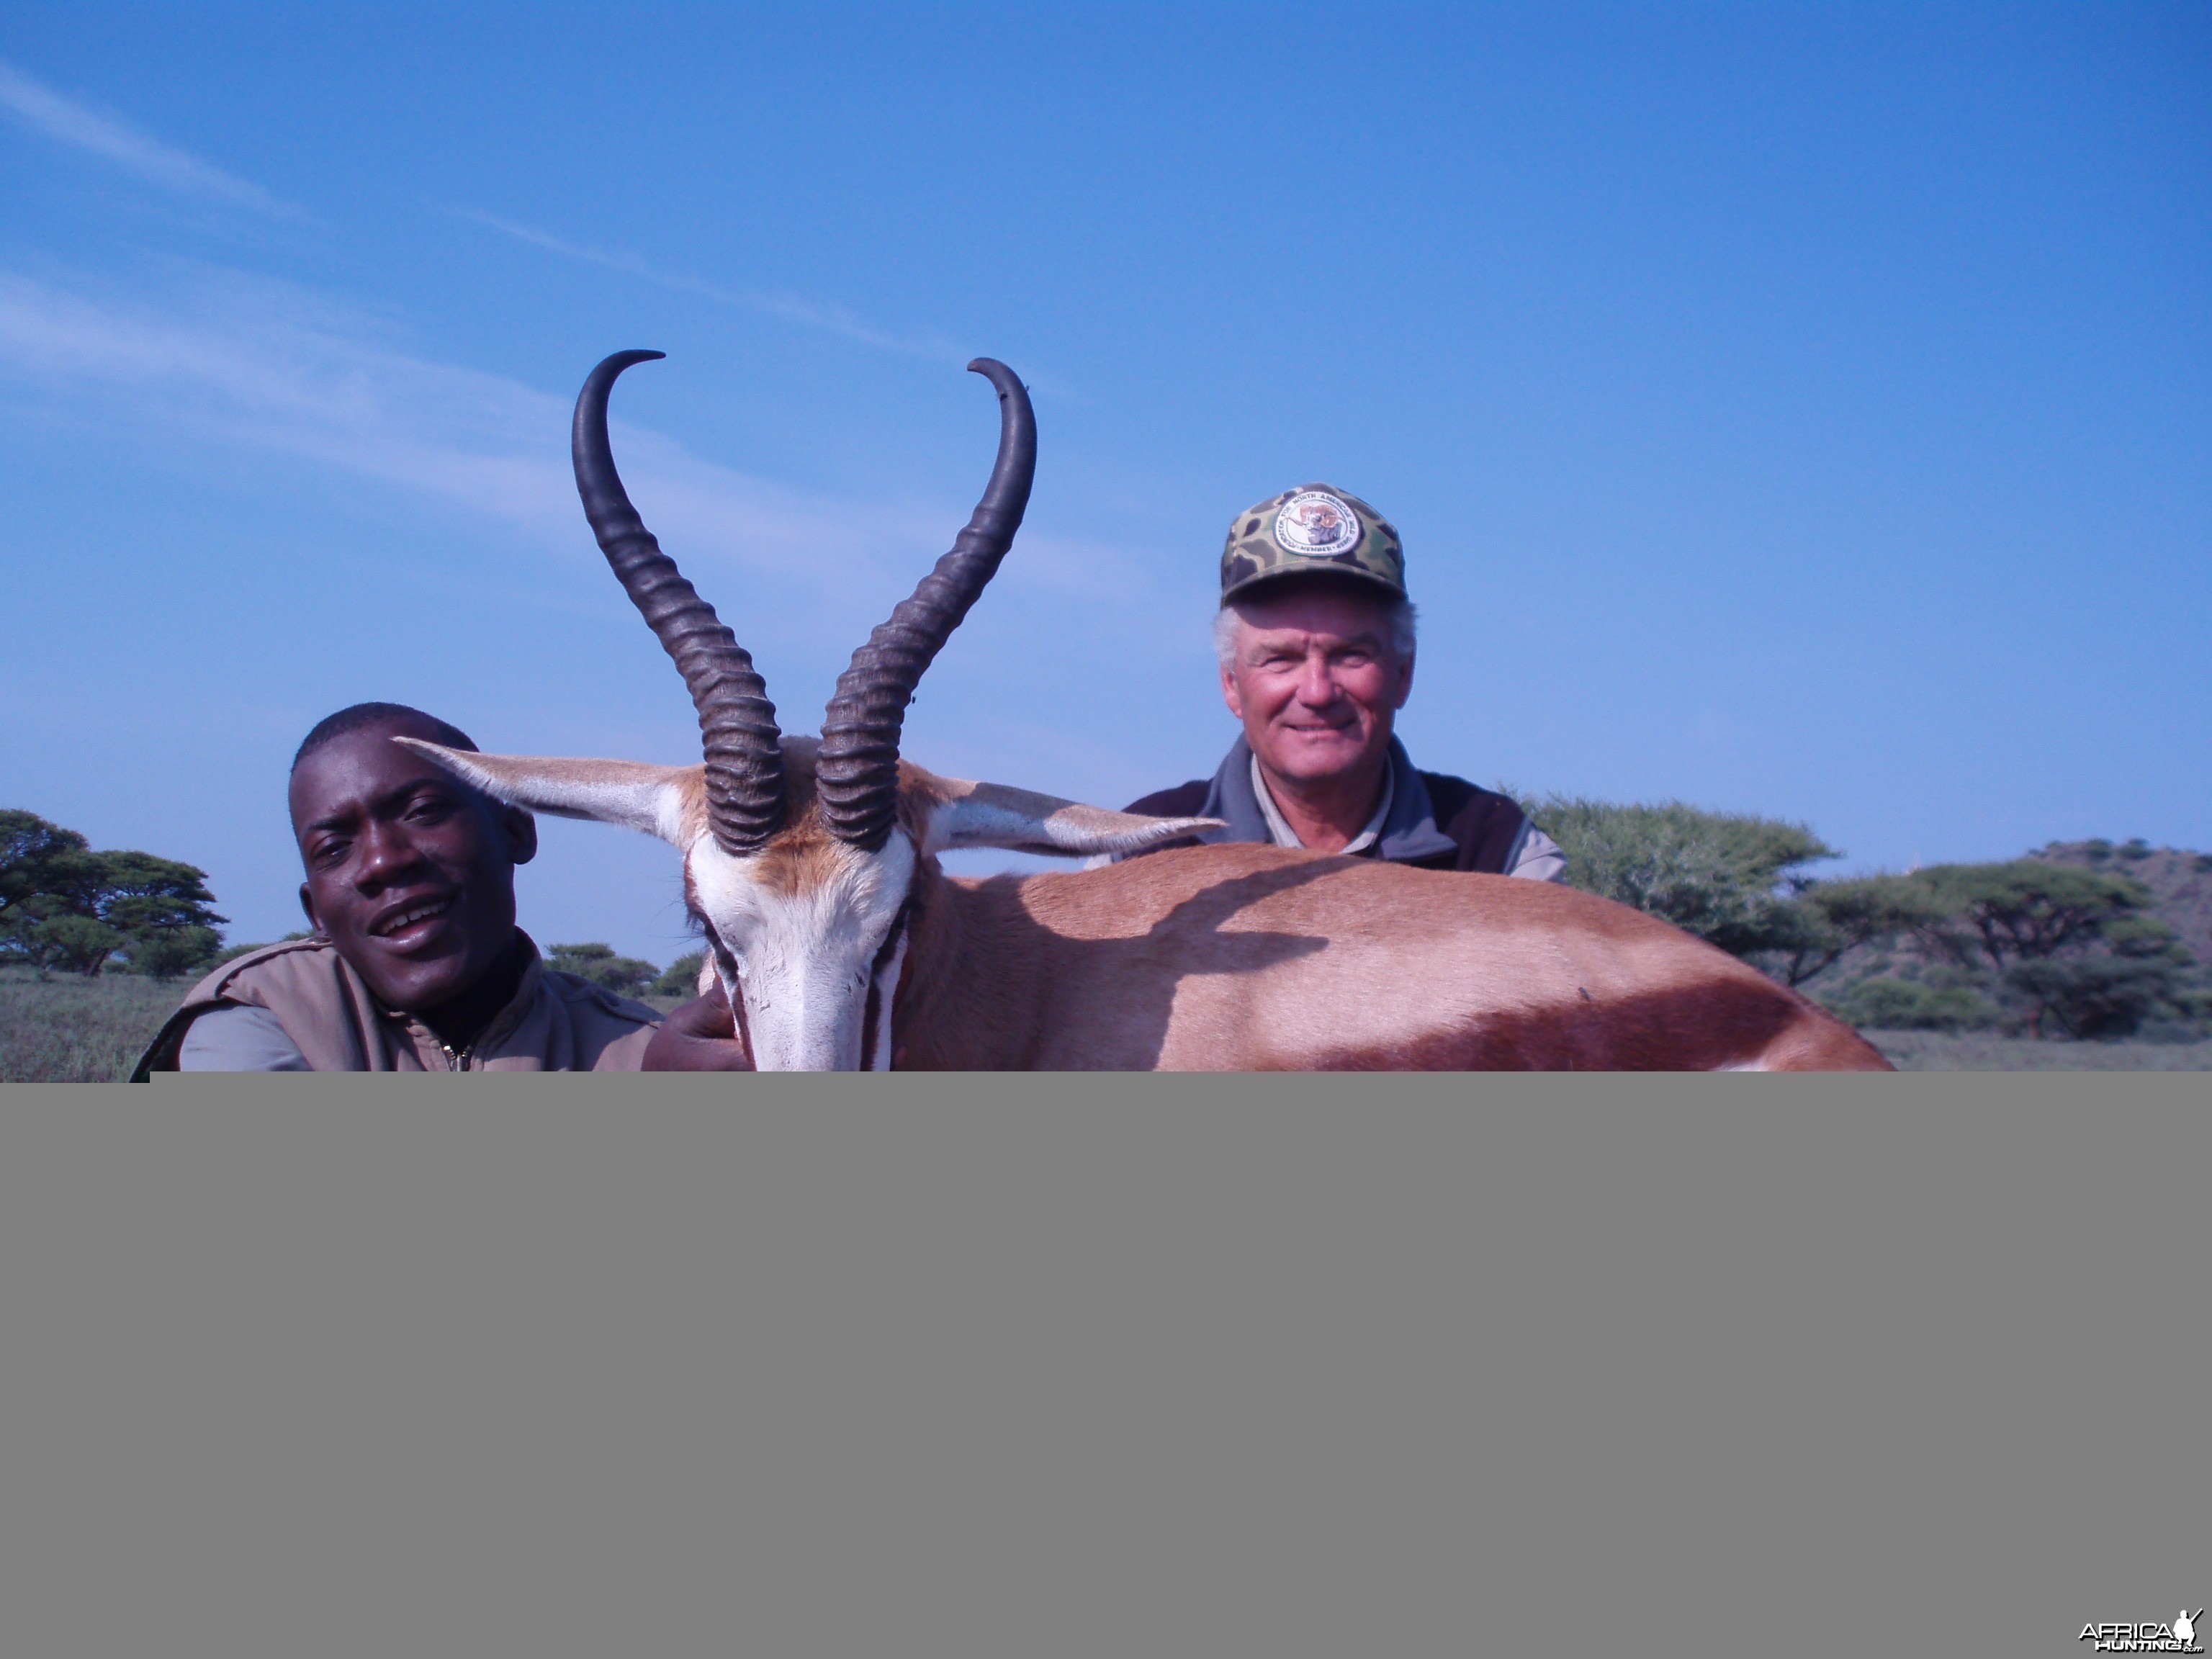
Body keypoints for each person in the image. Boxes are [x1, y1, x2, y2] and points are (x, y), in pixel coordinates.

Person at [132, 703, 659, 1075]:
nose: (383, 862)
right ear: (316, 912)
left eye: (424, 812)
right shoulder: (257, 1018)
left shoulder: (643, 1050)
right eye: (333, 849)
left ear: (516, 830)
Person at [1122, 484, 1568, 878]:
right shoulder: (1135, 860)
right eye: (1281, 659)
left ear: (1403, 674)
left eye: (1351, 655)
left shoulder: (1502, 858)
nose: (1317, 692)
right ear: (1231, 685)